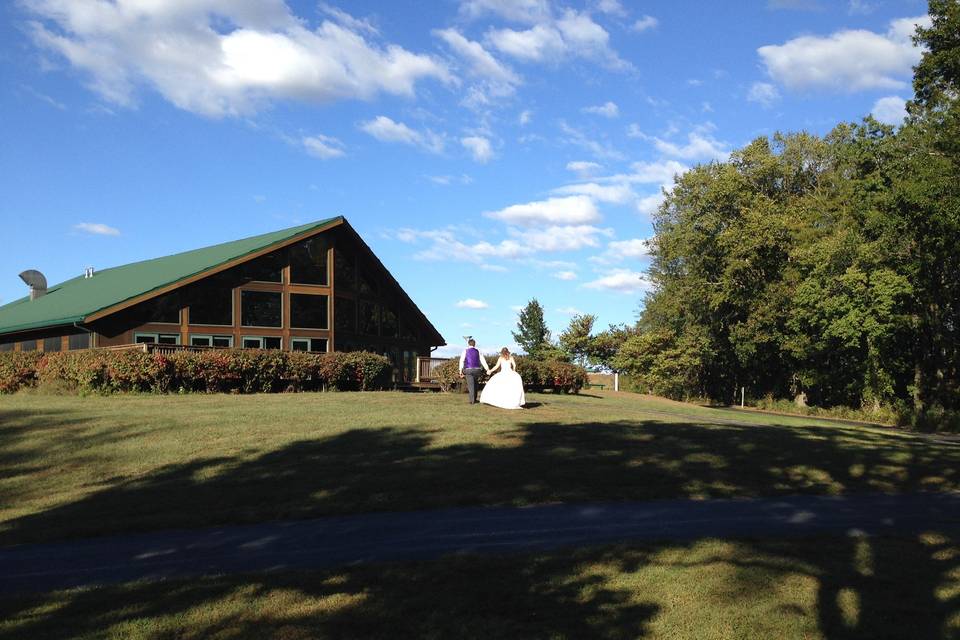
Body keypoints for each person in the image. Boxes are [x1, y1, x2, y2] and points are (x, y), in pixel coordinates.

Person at [459, 338, 490, 404]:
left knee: (471, 385)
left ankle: (472, 401)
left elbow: (461, 361)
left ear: (468, 344)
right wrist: (487, 369)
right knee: (475, 384)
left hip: (468, 370)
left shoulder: (465, 351)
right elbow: (483, 360)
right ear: (474, 344)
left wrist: (460, 371)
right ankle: (475, 399)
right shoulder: (478, 351)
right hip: (477, 370)